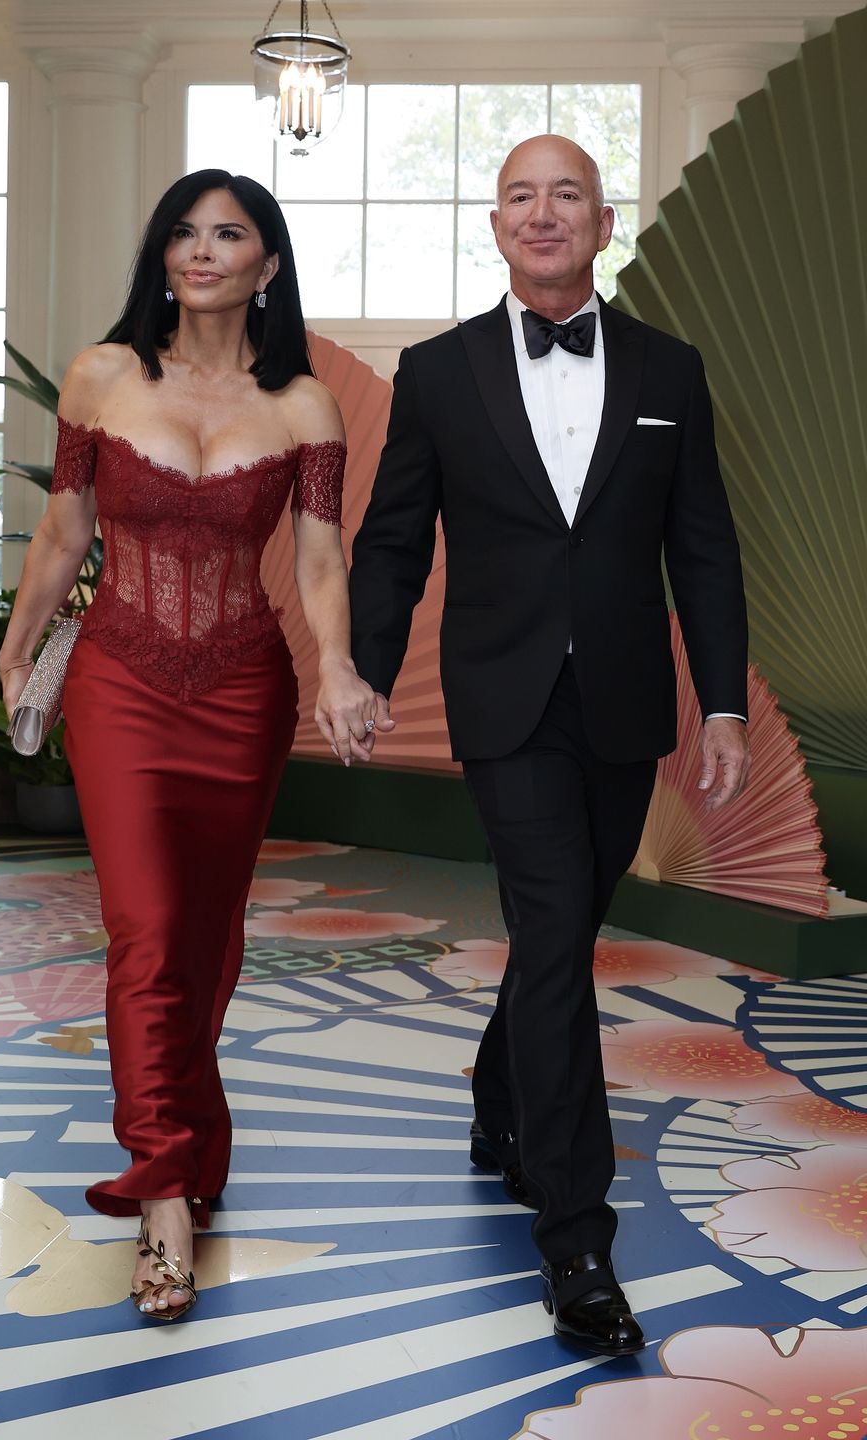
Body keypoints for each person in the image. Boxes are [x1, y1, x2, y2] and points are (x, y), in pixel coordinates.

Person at [349, 135, 750, 1356]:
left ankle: (497, 1098)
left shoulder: (672, 367)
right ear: (495, 226)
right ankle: (577, 1242)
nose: (542, 213)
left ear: (602, 222)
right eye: (520, 195)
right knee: (559, 929)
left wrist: (723, 702)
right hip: (505, 701)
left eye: (566, 193)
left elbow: (704, 546)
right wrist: (363, 670)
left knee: (557, 931)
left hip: (625, 702)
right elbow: (393, 539)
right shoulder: (437, 371)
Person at [0, 168, 377, 1322]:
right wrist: (17, 651)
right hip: (118, 678)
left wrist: (340, 665)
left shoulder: (304, 405)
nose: (201, 250)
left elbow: (319, 557)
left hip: (243, 690)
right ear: (162, 256)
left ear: (269, 263)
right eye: (183, 232)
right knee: (149, 933)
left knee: (207, 943)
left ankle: (196, 1143)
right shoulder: (103, 376)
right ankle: (162, 1194)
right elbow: (64, 533)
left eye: (229, 233)